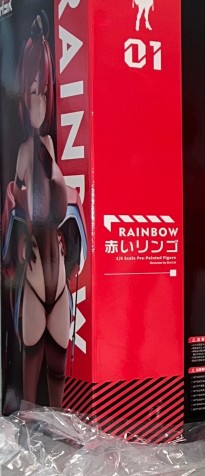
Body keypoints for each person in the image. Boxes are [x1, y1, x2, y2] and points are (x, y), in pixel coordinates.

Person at [1, 12, 86, 409]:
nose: (39, 101)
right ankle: (28, 421)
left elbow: (65, 205)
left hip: (59, 276)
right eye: (33, 92)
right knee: (32, 359)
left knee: (58, 365)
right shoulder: (23, 152)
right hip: (34, 274)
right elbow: (18, 209)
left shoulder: (50, 147)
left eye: (45, 92)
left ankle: (57, 422)